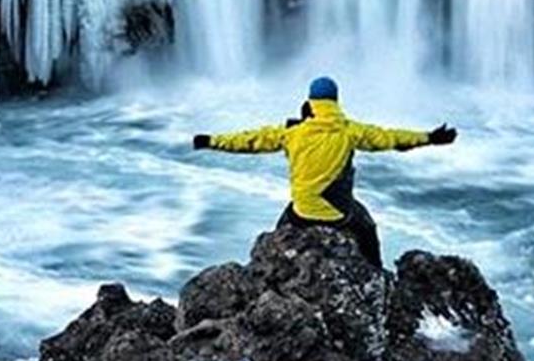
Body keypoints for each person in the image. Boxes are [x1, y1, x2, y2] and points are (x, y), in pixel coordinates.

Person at [192, 76, 456, 267]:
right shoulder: (350, 131)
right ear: (335, 102)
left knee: (283, 225)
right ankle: (376, 272)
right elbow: (392, 138)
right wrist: (430, 137)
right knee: (366, 226)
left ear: (310, 103)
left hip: (301, 214)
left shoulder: (290, 132)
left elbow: (249, 141)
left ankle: (271, 261)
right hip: (339, 215)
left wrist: (211, 141)